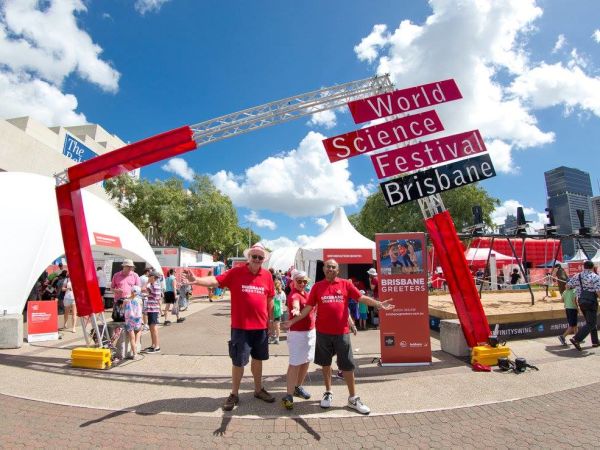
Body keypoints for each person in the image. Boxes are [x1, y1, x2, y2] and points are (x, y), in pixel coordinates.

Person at [283, 259, 393, 415]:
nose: (330, 269)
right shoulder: (317, 287)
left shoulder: (345, 284)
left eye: (333, 267)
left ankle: (353, 398)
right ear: (324, 269)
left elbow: (359, 299)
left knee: (347, 366)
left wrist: (378, 304)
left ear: (338, 270)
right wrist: (292, 321)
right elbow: (308, 308)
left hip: (342, 333)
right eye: (328, 266)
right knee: (325, 365)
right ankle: (328, 392)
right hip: (322, 333)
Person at [184, 243, 276, 411]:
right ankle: (234, 393)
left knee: (258, 360)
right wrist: (196, 280)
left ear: (264, 259)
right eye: (254, 256)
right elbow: (216, 280)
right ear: (249, 257)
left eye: (260, 257)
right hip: (241, 328)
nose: (256, 259)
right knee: (238, 362)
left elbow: (270, 299)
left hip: (261, 327)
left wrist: (271, 321)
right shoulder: (236, 272)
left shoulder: (267, 276)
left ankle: (258, 389)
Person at [281, 271, 316, 410]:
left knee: (306, 361)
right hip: (297, 334)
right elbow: (295, 303)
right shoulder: (295, 294)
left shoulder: (306, 294)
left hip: (310, 333)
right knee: (295, 363)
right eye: (299, 281)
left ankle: (297, 387)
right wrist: (295, 309)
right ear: (293, 282)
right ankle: (289, 395)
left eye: (304, 281)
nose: (302, 284)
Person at [567, 260, 600, 351]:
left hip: (581, 301)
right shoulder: (595, 277)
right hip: (591, 301)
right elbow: (598, 291)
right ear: (593, 267)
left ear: (583, 267)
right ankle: (576, 339)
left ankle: (595, 342)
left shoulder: (577, 275)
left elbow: (568, 286)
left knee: (590, 321)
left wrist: (578, 288)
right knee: (591, 322)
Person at [142, 271, 162, 353]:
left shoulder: (155, 285)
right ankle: (153, 345)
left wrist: (147, 282)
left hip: (153, 309)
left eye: (150, 276)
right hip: (151, 308)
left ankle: (156, 346)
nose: (148, 277)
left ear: (153, 277)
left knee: (153, 328)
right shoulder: (153, 285)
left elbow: (143, 289)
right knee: (151, 327)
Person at [124, 285, 143, 359]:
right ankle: (136, 345)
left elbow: (123, 308)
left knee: (131, 337)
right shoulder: (140, 300)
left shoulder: (126, 300)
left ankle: (134, 354)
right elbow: (141, 310)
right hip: (137, 320)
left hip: (129, 320)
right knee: (138, 331)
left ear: (131, 291)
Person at [270, 279, 285, 344]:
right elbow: (284, 301)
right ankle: (277, 338)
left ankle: (272, 336)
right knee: (277, 325)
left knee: (272, 324)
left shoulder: (272, 291)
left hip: (272, 310)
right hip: (279, 310)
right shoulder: (282, 292)